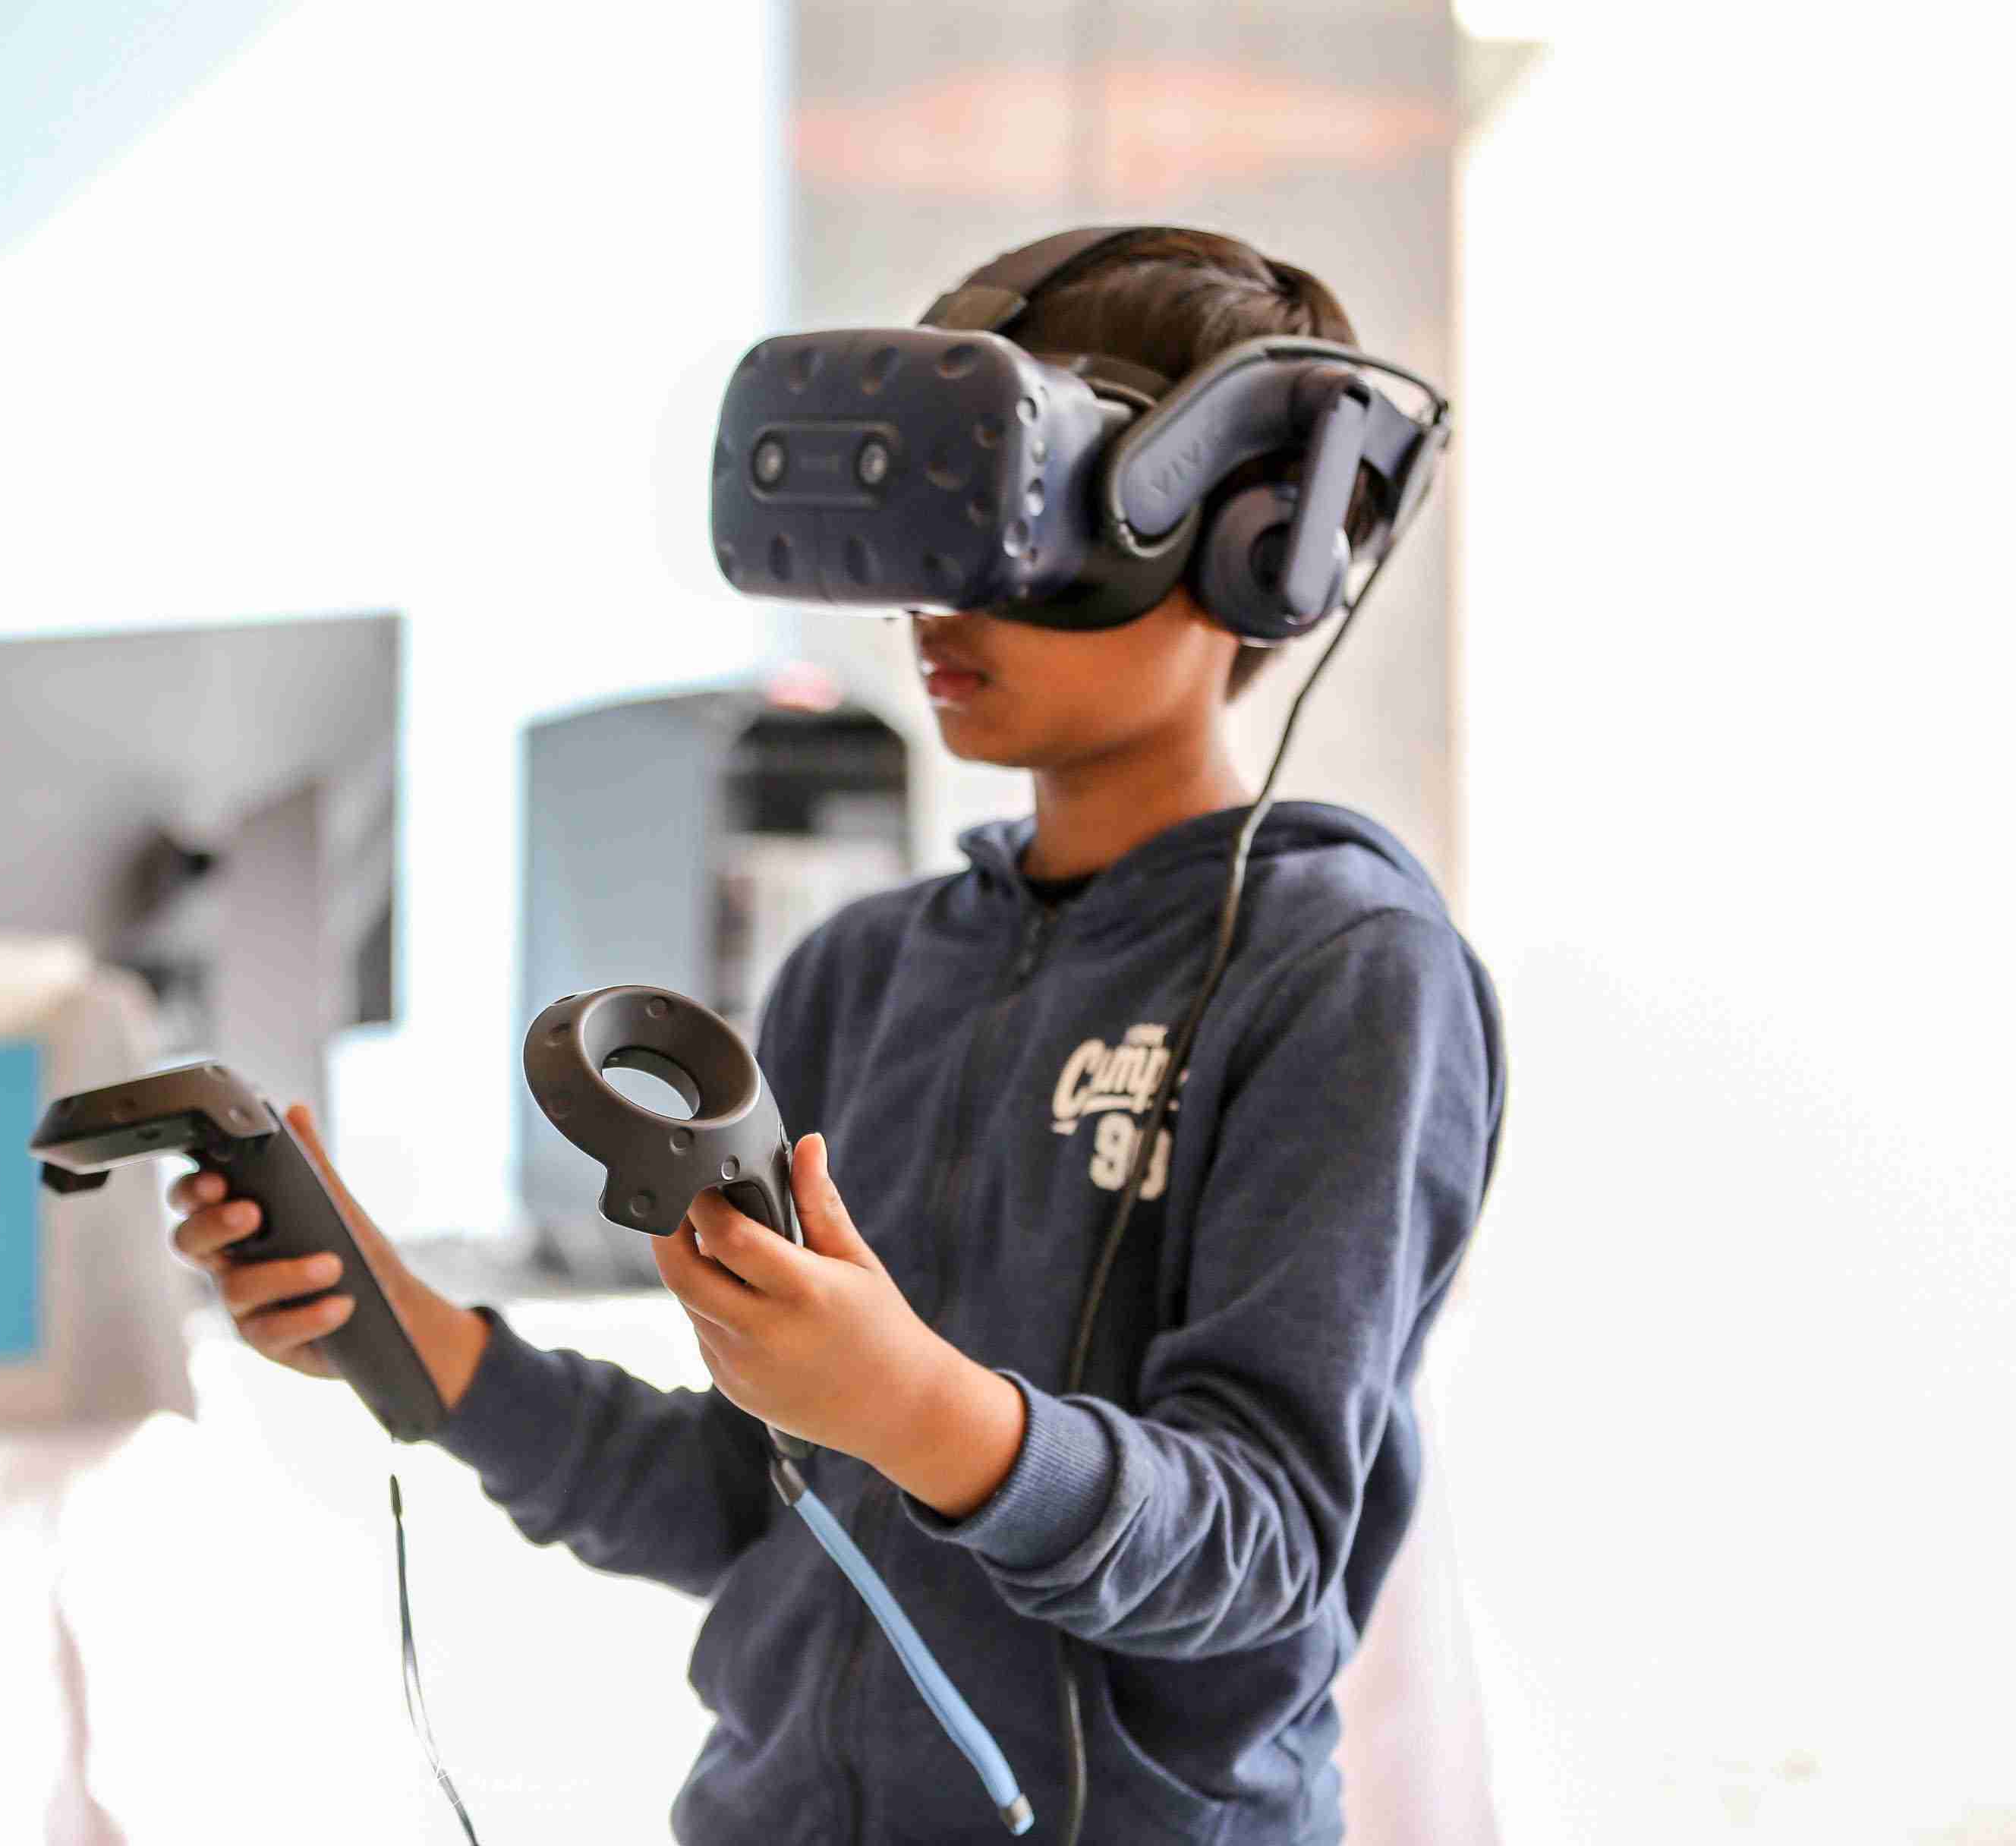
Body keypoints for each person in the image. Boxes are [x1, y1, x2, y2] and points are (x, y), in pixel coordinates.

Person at [172, 226, 1505, 1844]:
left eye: (1032, 522)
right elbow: (757, 1498)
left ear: (1259, 546)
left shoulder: (1344, 969)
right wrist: (415, 1335)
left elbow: (1266, 1547)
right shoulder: (865, 972)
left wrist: (923, 1413)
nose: (945, 598)